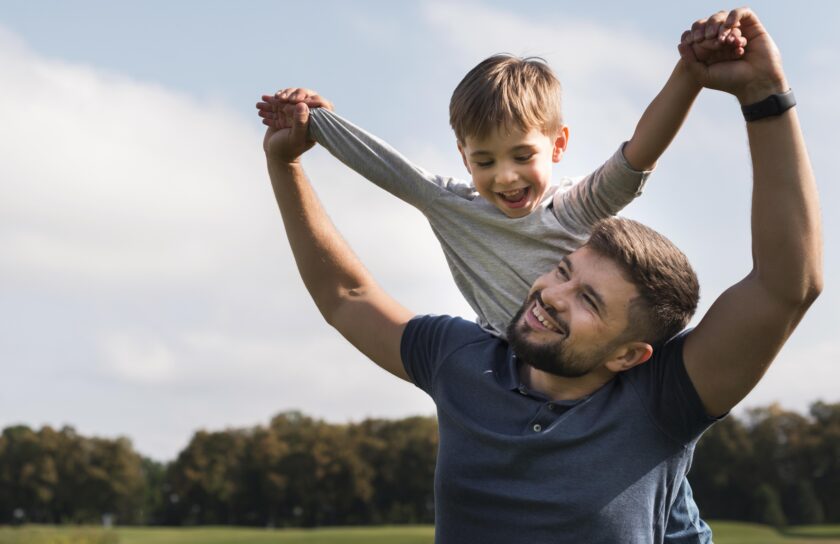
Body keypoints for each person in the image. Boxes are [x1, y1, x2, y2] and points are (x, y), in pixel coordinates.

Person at [260, 7, 821, 543]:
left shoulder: (662, 400)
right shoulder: (461, 361)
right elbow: (346, 295)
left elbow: (784, 286)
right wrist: (286, 162)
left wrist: (762, 95)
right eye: (561, 269)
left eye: (590, 302)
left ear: (630, 353)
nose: (551, 295)